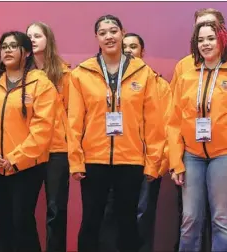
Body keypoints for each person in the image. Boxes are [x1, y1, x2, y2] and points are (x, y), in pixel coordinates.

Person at [67, 14, 165, 252]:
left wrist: (153, 163)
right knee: (91, 220)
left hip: (130, 159)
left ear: (122, 33)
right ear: (97, 38)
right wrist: (76, 161)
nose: (109, 36)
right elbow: (73, 122)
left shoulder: (143, 73)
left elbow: (154, 123)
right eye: (103, 33)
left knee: (127, 222)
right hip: (93, 159)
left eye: (113, 31)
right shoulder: (81, 74)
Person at [167, 20, 227, 252]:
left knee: (223, 220)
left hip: (225, 156)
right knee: (190, 219)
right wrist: (176, 162)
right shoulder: (186, 77)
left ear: (222, 41)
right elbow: (174, 122)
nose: (205, 44)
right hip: (192, 156)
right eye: (201, 40)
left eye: (210, 38)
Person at [0, 31, 57, 251]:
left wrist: (15, 158)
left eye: (13, 46)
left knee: (22, 221)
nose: (7, 50)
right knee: (0, 222)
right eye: (3, 46)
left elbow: (43, 128)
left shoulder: (41, 83)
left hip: (26, 166)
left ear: (26, 52)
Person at [100, 32, 171, 252]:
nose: (129, 50)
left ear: (142, 52)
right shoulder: (108, 84)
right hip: (117, 161)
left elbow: (168, 125)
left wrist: (159, 161)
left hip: (148, 161)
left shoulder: (158, 84)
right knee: (110, 215)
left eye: (134, 46)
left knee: (142, 215)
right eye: (125, 46)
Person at [26, 21, 72, 252]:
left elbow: (73, 114)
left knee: (56, 209)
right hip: (29, 150)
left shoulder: (65, 73)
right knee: (24, 210)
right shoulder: (20, 74)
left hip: (57, 150)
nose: (32, 40)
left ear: (48, 39)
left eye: (37, 35)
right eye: (29, 36)